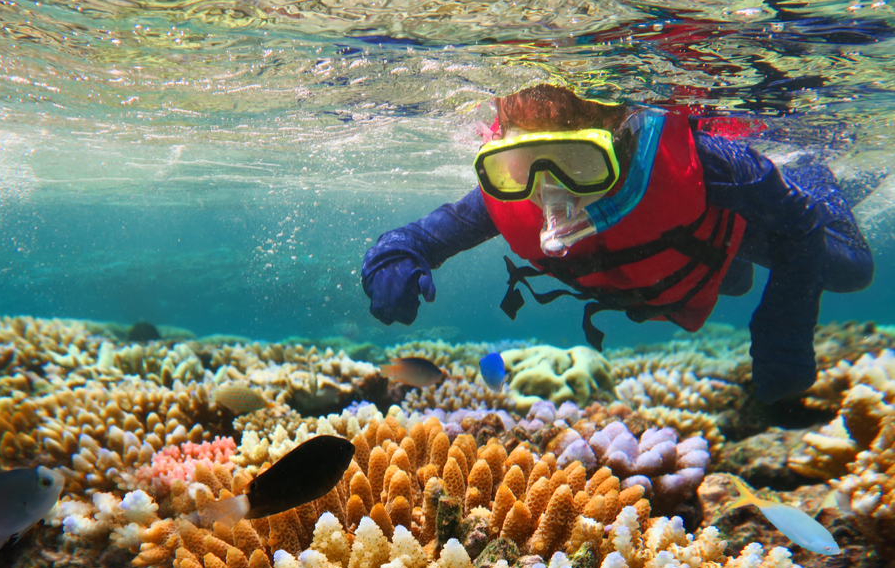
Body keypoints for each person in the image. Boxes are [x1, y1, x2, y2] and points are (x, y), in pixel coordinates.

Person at [361, 84, 874, 404]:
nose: (550, 191)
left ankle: (814, 172)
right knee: (734, 283)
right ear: (500, 156)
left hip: (725, 222)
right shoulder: (508, 198)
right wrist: (389, 260)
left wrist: (782, 334)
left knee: (851, 269)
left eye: (579, 163)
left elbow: (800, 225)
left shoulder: (709, 164)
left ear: (625, 140)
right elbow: (417, 239)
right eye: (522, 166)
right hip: (687, 260)